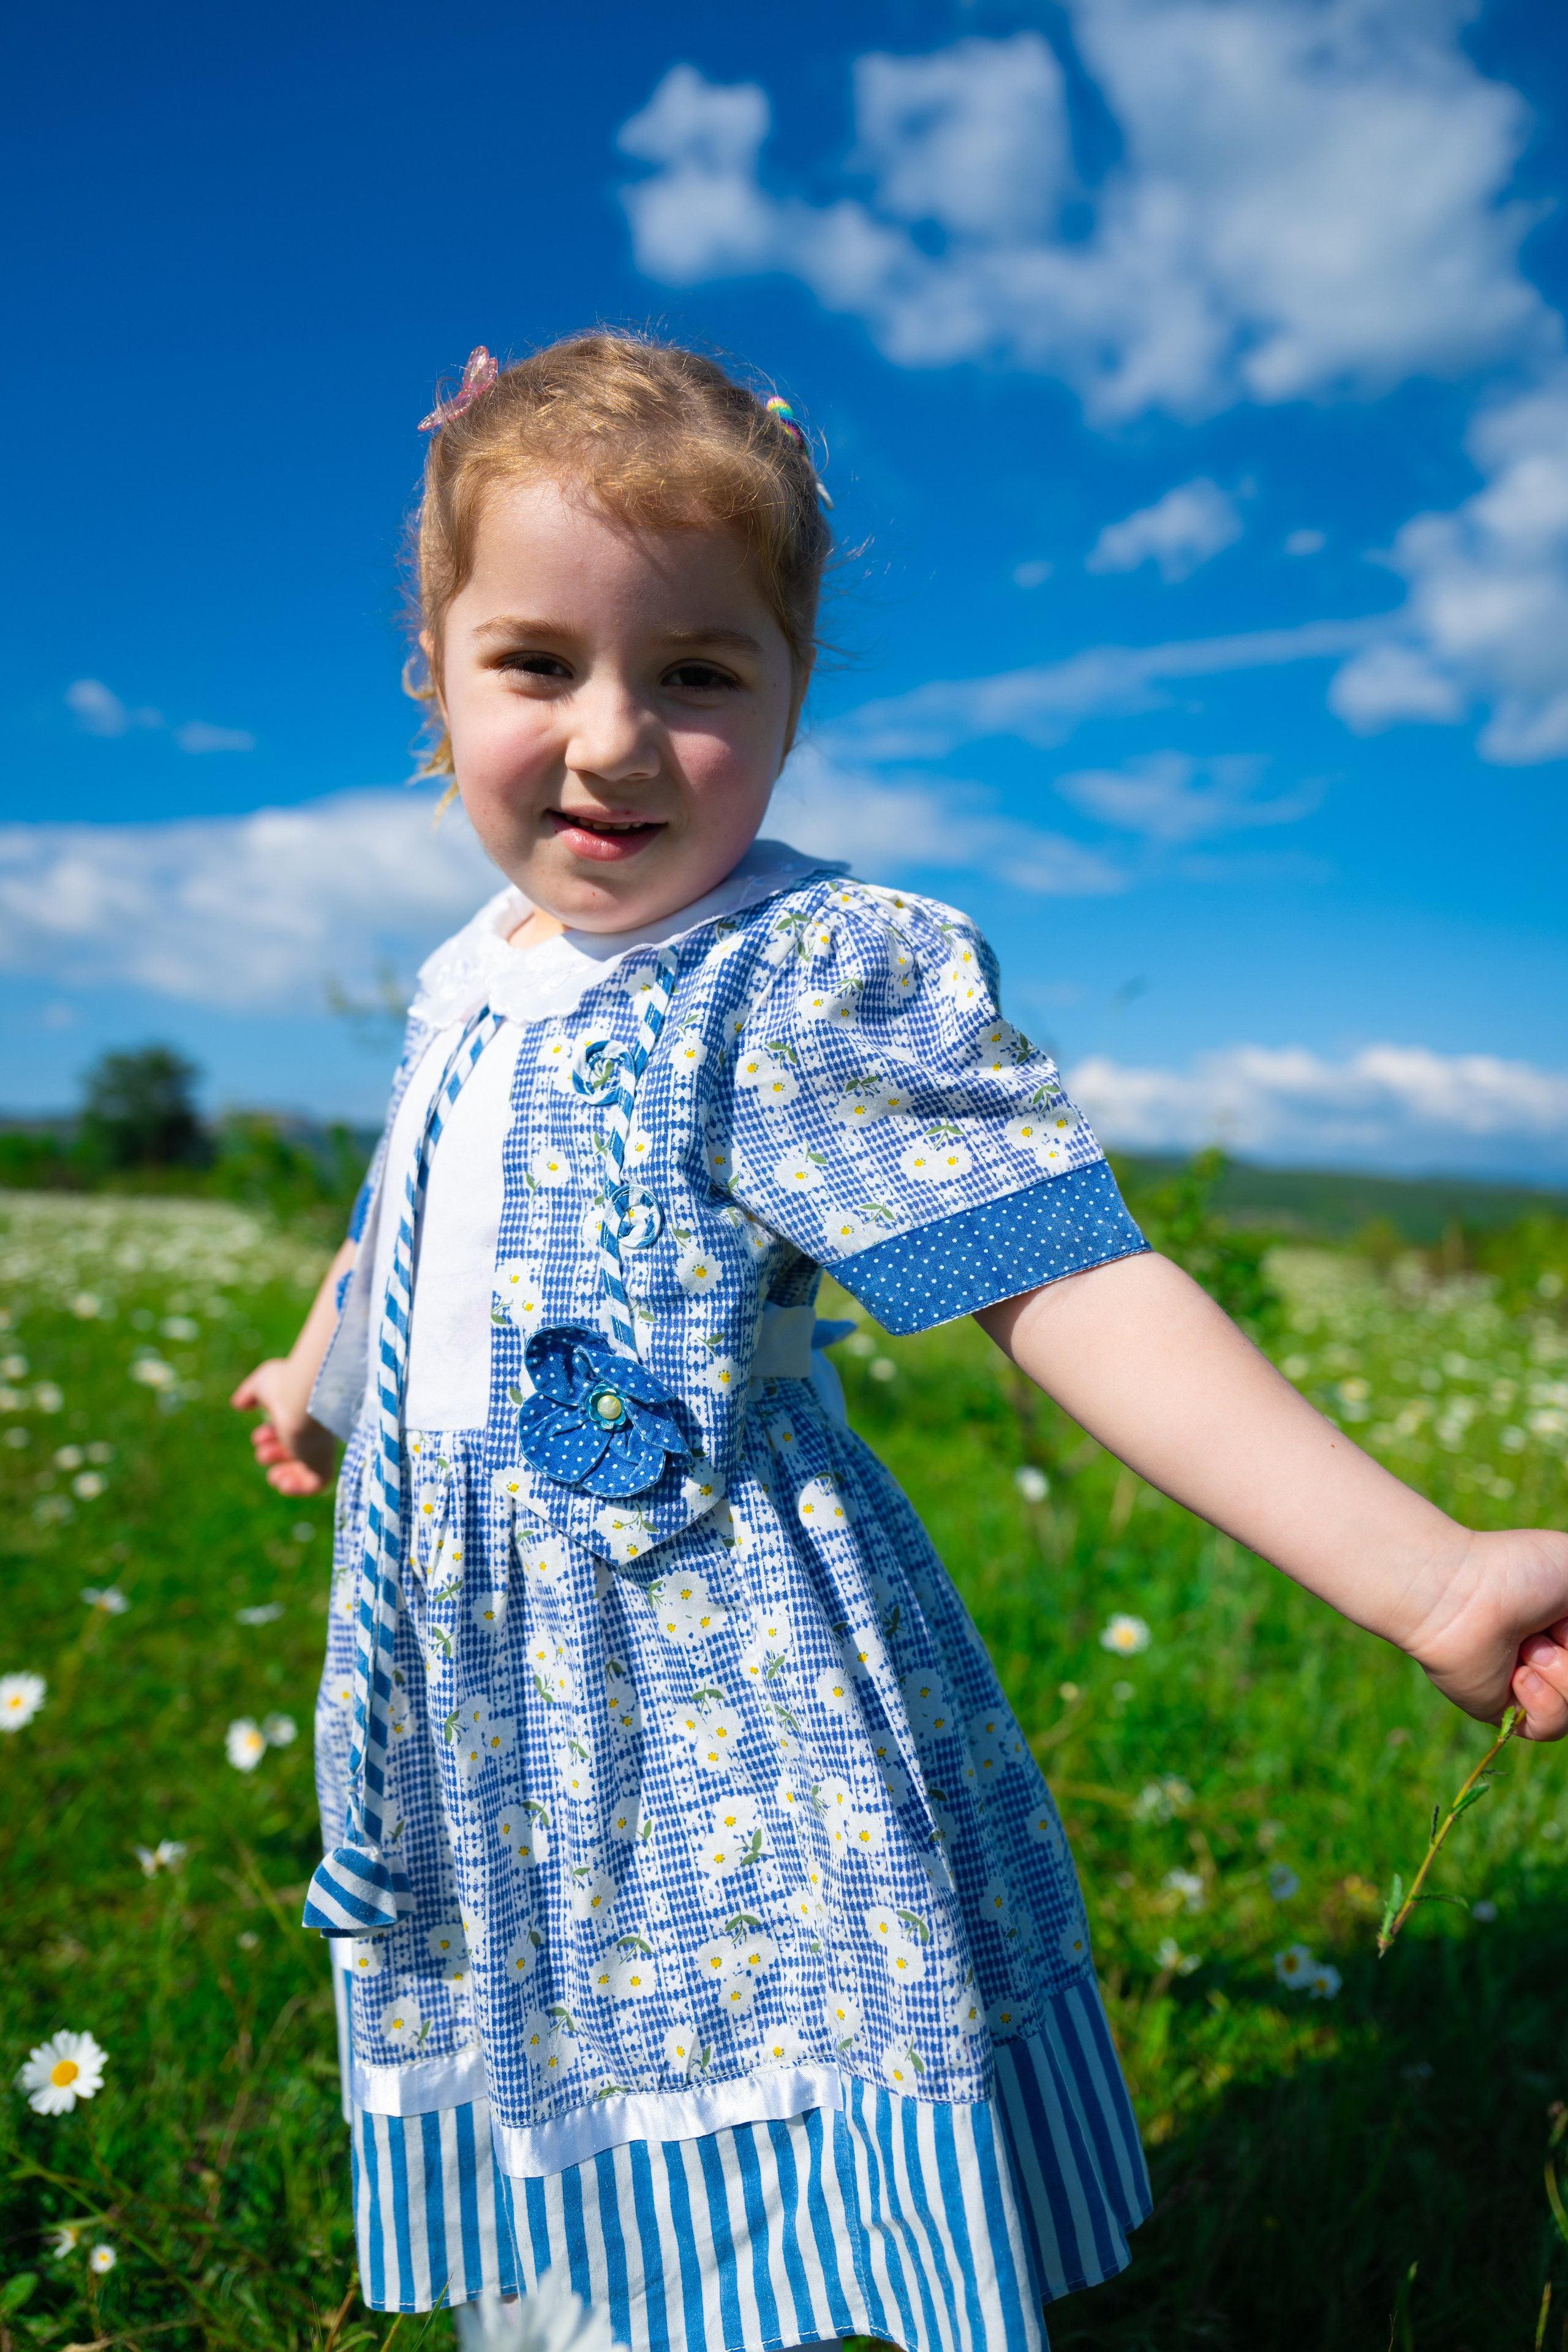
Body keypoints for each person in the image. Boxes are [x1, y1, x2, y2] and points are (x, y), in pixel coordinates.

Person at [232, 332, 1568, 2352]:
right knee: (559, 2116)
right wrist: (319, 1371)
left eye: (697, 675)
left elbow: (1063, 1280)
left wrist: (1437, 1575)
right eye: (538, 665)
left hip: (703, 1675)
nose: (610, 740)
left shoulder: (800, 978)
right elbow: (413, 1207)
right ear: (435, 677)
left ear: (788, 699)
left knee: (743, 2107)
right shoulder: (472, 972)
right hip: (485, 1652)